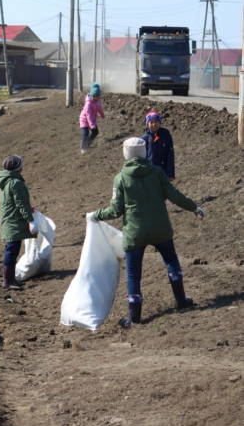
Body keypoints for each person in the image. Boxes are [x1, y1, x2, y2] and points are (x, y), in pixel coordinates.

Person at [87, 138, 205, 327]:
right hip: (160, 229)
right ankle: (181, 300)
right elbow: (174, 195)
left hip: (135, 233)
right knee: (171, 261)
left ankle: (135, 318)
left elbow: (115, 211)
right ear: (144, 152)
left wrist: (96, 215)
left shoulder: (121, 178)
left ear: (126, 154)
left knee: (133, 275)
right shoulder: (157, 172)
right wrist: (194, 208)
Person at [0, 154, 38, 291]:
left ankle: (11, 279)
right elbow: (20, 204)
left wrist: (28, 208)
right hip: (13, 222)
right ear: (19, 168)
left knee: (11, 250)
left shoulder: (6, 181)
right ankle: (7, 281)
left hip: (8, 220)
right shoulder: (16, 183)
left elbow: (13, 202)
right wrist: (31, 221)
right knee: (12, 251)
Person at [141, 110, 175, 181]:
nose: (154, 124)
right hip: (149, 172)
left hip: (163, 171)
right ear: (147, 124)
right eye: (151, 122)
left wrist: (170, 174)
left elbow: (170, 155)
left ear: (160, 122)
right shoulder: (144, 138)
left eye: (156, 121)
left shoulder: (166, 136)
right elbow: (141, 157)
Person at [79, 82, 105, 154]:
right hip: (84, 120)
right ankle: (83, 148)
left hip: (92, 120)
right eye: (94, 96)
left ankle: (88, 144)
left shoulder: (97, 102)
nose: (96, 98)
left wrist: (102, 115)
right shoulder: (88, 103)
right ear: (91, 95)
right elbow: (88, 115)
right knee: (85, 133)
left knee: (96, 132)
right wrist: (91, 125)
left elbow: (99, 108)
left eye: (97, 96)